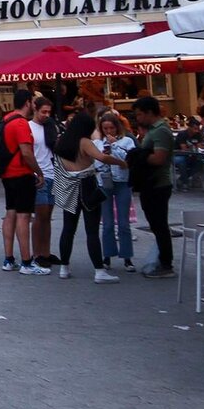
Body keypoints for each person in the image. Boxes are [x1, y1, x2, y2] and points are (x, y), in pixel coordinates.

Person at [52, 112, 127, 282]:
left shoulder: (62, 141)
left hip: (67, 184)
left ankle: (64, 267)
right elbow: (101, 157)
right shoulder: (84, 142)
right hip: (86, 185)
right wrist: (121, 162)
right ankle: (99, 270)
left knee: (68, 229)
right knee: (91, 230)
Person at [0, 90, 49, 275]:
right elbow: (26, 152)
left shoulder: (7, 119)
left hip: (7, 173)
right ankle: (27, 262)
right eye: (33, 102)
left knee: (10, 213)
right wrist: (39, 172)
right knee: (23, 216)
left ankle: (9, 258)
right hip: (21, 173)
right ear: (28, 103)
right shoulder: (21, 123)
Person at [132, 96, 176, 279]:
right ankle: (161, 259)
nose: (138, 118)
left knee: (159, 225)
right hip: (150, 183)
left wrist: (140, 156)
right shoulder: (152, 131)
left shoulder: (160, 131)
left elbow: (159, 158)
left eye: (140, 114)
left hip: (158, 183)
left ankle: (166, 263)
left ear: (149, 112)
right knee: (156, 224)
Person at [94, 113, 136, 272]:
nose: (109, 131)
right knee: (107, 223)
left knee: (124, 223)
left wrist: (115, 146)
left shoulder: (127, 141)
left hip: (122, 181)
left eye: (111, 128)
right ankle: (107, 255)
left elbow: (128, 160)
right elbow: (96, 162)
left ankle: (127, 257)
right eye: (105, 128)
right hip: (105, 181)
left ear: (117, 127)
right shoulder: (97, 143)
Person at [28, 97, 59, 269]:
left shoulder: (50, 126)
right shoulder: (29, 127)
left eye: (48, 112)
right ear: (35, 109)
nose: (46, 115)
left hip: (52, 173)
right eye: (43, 111)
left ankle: (46, 252)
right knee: (39, 215)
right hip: (37, 175)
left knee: (47, 215)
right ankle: (37, 253)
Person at [173, 117, 204, 190]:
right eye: (195, 128)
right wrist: (195, 147)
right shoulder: (182, 134)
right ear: (189, 128)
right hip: (178, 155)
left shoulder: (197, 135)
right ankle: (185, 182)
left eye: (197, 128)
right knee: (181, 161)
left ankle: (182, 179)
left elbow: (200, 146)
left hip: (191, 155)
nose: (196, 130)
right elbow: (184, 148)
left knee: (200, 162)